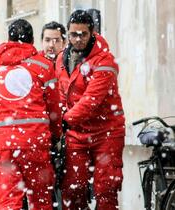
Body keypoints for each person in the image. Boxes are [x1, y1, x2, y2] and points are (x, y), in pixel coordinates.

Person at [0, 19, 62, 210]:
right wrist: (56, 135)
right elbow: (54, 107)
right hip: (35, 143)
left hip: (3, 145)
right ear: (31, 40)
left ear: (8, 38)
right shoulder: (44, 66)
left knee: (8, 200)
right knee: (40, 200)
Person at [55, 10, 125, 210]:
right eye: (73, 34)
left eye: (83, 34)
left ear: (92, 33)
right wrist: (60, 116)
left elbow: (91, 100)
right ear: (67, 34)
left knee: (106, 189)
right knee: (72, 189)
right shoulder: (62, 59)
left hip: (107, 133)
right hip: (77, 134)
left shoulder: (105, 61)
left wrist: (65, 120)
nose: (78, 39)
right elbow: (61, 93)